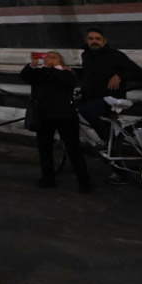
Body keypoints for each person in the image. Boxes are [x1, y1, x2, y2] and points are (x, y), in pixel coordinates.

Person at [20, 51, 91, 192]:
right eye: (47, 57)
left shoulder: (66, 73)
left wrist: (54, 68)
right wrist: (32, 64)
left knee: (73, 148)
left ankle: (84, 181)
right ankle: (48, 178)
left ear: (61, 61)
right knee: (44, 148)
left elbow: (65, 80)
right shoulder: (41, 72)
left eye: (54, 57)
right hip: (44, 116)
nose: (49, 59)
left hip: (65, 116)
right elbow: (25, 76)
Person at [77, 28, 142, 135]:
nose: (94, 41)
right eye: (91, 38)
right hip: (91, 97)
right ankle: (110, 139)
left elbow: (139, 73)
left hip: (110, 99)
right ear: (86, 40)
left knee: (86, 110)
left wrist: (120, 76)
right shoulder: (86, 55)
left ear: (104, 41)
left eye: (98, 39)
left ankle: (108, 137)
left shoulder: (115, 55)